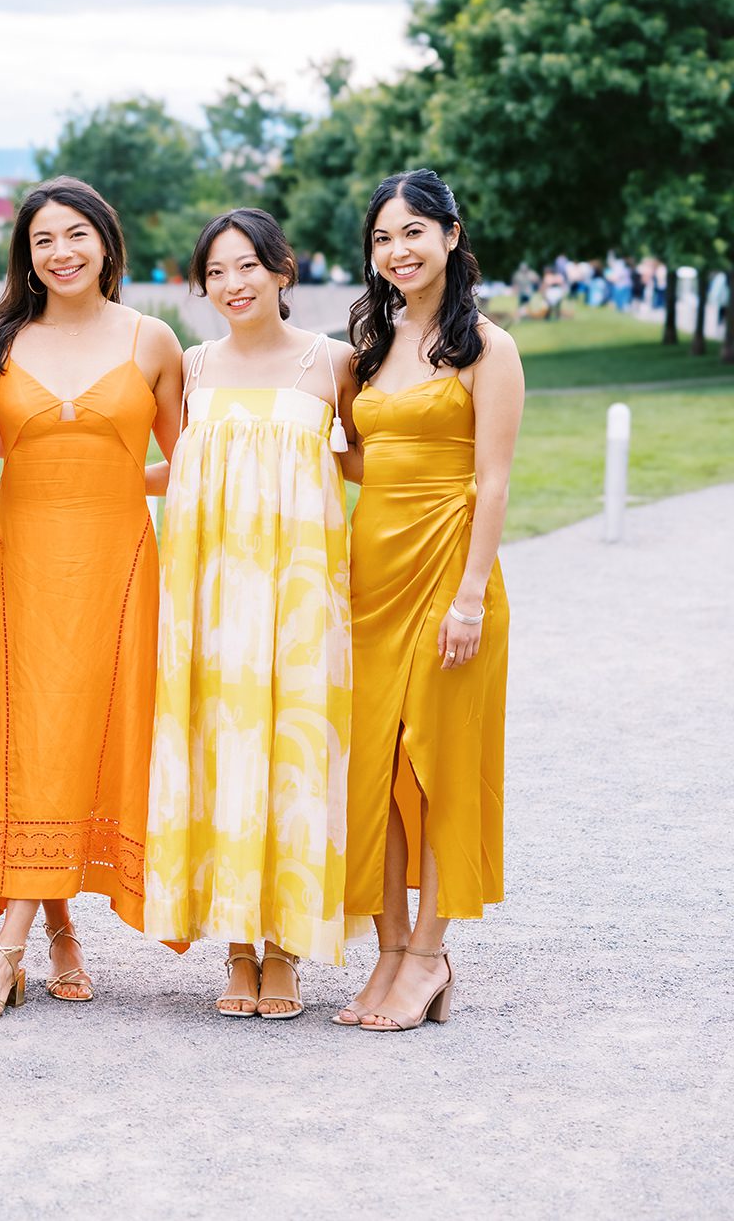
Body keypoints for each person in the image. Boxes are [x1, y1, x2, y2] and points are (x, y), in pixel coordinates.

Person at [0, 176, 183, 1018]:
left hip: (117, 568)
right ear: (26, 254)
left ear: (106, 243)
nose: (61, 252)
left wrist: (118, 474)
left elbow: (192, 461)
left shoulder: (154, 340)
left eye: (76, 234)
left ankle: (21, 946)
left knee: (79, 737)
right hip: (23, 569)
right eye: (43, 239)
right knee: (31, 740)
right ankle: (39, 936)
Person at [142, 208, 359, 1021]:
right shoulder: (192, 367)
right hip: (209, 596)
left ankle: (288, 946)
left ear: (281, 270)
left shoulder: (333, 362)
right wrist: (91, 473)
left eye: (246, 267)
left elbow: (367, 457)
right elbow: (182, 467)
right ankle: (237, 944)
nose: (232, 284)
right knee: (223, 750)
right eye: (216, 272)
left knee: (296, 751)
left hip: (301, 595)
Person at [339, 169, 523, 1032]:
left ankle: (429, 955)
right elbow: (364, 458)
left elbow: (495, 482)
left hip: (452, 571)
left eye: (413, 231)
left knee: (440, 762)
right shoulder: (369, 346)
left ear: (451, 234)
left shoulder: (487, 346)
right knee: (371, 767)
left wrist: (471, 599)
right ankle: (388, 949)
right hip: (369, 577)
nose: (397, 250)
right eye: (382, 238)